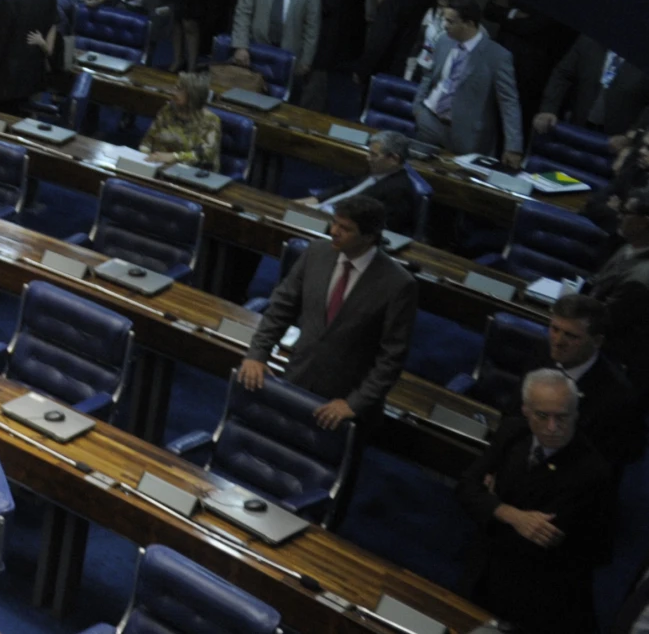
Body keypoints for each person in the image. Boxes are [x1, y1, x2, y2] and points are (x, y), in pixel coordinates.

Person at [455, 368, 614, 633]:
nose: (552, 428)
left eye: (562, 417)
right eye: (543, 416)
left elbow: (543, 540)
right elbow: (465, 487)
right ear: (526, 410)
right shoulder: (513, 432)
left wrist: (491, 501)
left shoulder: (592, 472)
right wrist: (510, 513)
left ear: (576, 414)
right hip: (484, 572)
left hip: (540, 597)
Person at [240, 194, 417, 429]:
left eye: (346, 229)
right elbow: (282, 306)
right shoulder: (316, 252)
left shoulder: (398, 284)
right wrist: (258, 353)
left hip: (344, 403)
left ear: (369, 236)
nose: (334, 231)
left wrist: (354, 403)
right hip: (297, 377)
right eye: (334, 223)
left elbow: (391, 357)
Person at [534, 291, 645, 466]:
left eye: (571, 336)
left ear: (597, 341)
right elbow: (511, 418)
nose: (558, 341)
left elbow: (601, 466)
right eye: (555, 329)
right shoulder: (542, 357)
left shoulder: (618, 397)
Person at [411, 0, 522, 163]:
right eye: (444, 19)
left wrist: (513, 147)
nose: (444, 25)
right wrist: (418, 107)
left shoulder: (497, 56)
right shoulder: (443, 41)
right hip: (429, 122)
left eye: (450, 21)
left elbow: (509, 102)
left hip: (468, 135)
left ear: (469, 23)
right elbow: (429, 76)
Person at [314, 129, 423, 234]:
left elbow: (377, 226)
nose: (368, 158)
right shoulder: (376, 171)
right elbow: (346, 188)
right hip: (324, 212)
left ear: (394, 159)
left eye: (374, 155)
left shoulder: (399, 190)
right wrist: (316, 199)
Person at [140, 68, 224, 170]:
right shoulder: (167, 111)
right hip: (157, 166)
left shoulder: (210, 120)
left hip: (191, 173)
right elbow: (147, 141)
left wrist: (175, 157)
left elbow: (205, 155)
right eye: (174, 87)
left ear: (193, 95)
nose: (173, 92)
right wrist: (143, 157)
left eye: (179, 89)